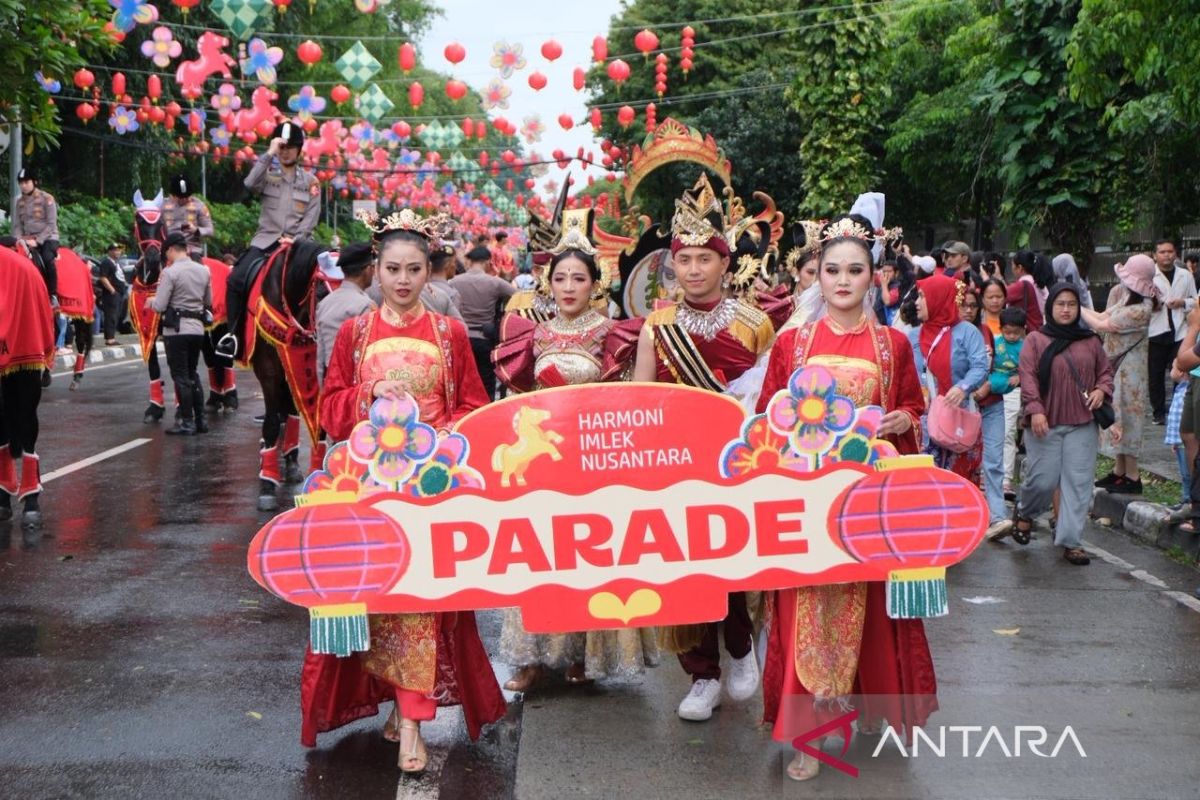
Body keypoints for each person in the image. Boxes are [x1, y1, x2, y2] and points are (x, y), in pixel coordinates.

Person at [304, 208, 506, 772]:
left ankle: (414, 722)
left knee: (421, 607)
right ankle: (399, 701)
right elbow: (330, 408)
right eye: (391, 268)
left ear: (429, 271)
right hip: (370, 488)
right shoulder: (355, 332)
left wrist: (441, 441)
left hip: (431, 485)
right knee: (381, 606)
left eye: (414, 269)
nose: (401, 280)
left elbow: (472, 405)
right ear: (376, 268)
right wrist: (368, 395)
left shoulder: (450, 333)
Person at [756, 215, 936, 782]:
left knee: (872, 614)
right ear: (818, 277)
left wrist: (899, 421)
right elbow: (767, 419)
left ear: (874, 277)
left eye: (854, 270)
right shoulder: (792, 342)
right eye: (831, 270)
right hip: (807, 501)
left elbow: (912, 409)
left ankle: (858, 709)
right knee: (803, 609)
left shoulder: (892, 347)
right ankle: (809, 736)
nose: (841, 280)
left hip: (870, 502)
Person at [623, 174, 775, 722]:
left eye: (703, 259)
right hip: (672, 464)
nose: (691, 269)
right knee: (680, 570)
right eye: (682, 259)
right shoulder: (656, 326)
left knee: (729, 560)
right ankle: (701, 674)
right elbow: (641, 399)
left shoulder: (756, 324)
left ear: (724, 264)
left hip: (734, 464)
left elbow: (770, 399)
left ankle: (738, 646)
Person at [493, 207, 660, 691]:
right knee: (537, 557)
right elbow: (515, 403)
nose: (569, 287)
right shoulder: (532, 335)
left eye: (579, 278)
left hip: (595, 466)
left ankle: (582, 655)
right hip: (543, 467)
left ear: (595, 284)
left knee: (588, 559)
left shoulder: (616, 335)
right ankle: (529, 656)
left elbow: (634, 404)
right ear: (548, 283)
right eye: (560, 278)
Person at [1007, 283, 1114, 565]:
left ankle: (1071, 541)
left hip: (1082, 422)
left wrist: (1102, 390)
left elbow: (1105, 372)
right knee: (1043, 480)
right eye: (1060, 304)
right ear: (1050, 307)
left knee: (1078, 484)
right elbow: (1027, 375)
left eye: (1071, 304)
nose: (1066, 309)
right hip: (1045, 421)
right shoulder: (1036, 340)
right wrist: (1036, 409)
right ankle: (1026, 511)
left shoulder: (1090, 340)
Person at [225, 122, 321, 361]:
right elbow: (248, 183)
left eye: (291, 147)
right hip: (265, 241)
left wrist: (296, 240)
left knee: (324, 283)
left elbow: (311, 217)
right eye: (282, 146)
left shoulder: (311, 182)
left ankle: (320, 335)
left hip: (298, 245)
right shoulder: (267, 176)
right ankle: (233, 337)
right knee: (235, 279)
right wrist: (268, 153)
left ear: (299, 149)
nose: (286, 151)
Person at [1082, 255, 1158, 494]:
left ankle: (1132, 476)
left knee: (1129, 418)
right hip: (1120, 369)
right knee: (1120, 416)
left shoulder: (1140, 309)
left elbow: (1101, 325)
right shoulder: (1129, 298)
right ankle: (1119, 472)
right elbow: (1103, 315)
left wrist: (1075, 305)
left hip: (1130, 374)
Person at [909, 273, 990, 480]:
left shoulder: (967, 332)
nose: (916, 303)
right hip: (925, 420)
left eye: (922, 296)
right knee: (924, 479)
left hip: (957, 417)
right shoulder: (914, 335)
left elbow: (980, 366)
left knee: (957, 480)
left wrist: (963, 387)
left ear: (939, 297)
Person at [0, 245, 56, 525]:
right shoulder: (24, 266)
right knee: (20, 415)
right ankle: (13, 492)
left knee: (20, 416)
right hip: (25, 346)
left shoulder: (23, 266)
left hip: (23, 346)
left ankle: (25, 492)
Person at [959, 282, 1011, 539]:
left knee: (994, 461)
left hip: (991, 405)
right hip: (962, 410)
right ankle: (964, 515)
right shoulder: (951, 335)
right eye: (963, 305)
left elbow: (1002, 368)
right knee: (964, 464)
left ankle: (998, 516)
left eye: (972, 306)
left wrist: (990, 384)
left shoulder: (987, 333)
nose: (968, 310)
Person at [150, 232, 213, 436]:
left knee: (181, 376)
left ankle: (187, 422)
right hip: (197, 329)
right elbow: (208, 301)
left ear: (170, 250)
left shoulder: (170, 272)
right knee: (192, 373)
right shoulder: (204, 270)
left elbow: (159, 305)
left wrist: (150, 302)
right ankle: (201, 420)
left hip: (176, 331)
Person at [449, 245, 515, 398]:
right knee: (486, 382)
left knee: (462, 381)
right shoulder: (495, 283)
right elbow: (519, 296)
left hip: (461, 339)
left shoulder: (454, 282)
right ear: (487, 262)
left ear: (469, 261)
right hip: (485, 338)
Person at [1147, 239, 1195, 425]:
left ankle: (1179, 409)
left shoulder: (1185, 275)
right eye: (1162, 252)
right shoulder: (1149, 275)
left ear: (1175, 254)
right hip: (1156, 330)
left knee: (1180, 370)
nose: (1166, 255)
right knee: (1155, 375)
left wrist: (1182, 303)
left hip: (1180, 329)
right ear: (1155, 255)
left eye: (1169, 251)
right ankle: (1158, 412)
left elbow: (1195, 300)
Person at [315, 241, 375, 385]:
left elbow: (320, 356)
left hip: (331, 381)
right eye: (372, 268)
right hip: (354, 384)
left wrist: (324, 391)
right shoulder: (365, 305)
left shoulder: (324, 303)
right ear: (367, 270)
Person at [993, 307, 1027, 500]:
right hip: (992, 390)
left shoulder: (1026, 347)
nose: (1011, 336)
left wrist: (1020, 376)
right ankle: (987, 474)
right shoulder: (995, 342)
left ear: (1023, 330)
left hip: (1013, 391)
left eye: (1015, 332)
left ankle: (1006, 479)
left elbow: (1031, 369)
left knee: (1007, 434)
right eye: (1007, 332)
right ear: (1001, 328)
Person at [12, 167, 59, 304]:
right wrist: (18, 240)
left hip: (48, 238)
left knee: (47, 259)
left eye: (26, 182)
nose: (23, 185)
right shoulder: (19, 202)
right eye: (21, 183)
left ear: (35, 182)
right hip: (26, 239)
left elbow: (51, 224)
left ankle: (53, 294)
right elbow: (17, 225)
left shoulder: (47, 198)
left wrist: (38, 241)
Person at [161, 174, 214, 259]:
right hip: (167, 249)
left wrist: (196, 230)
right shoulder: (162, 205)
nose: (184, 200)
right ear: (172, 195)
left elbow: (210, 230)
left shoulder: (199, 206)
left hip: (191, 249)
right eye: (180, 197)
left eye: (186, 197)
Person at [1007, 250, 1051, 331]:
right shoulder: (1039, 283)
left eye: (1012, 265)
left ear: (1019, 268)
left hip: (1030, 330)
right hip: (1043, 327)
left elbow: (1001, 294)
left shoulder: (1021, 285)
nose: (1012, 269)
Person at [420, 244, 464, 323]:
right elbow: (457, 326)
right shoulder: (452, 294)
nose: (456, 266)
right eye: (454, 262)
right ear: (448, 265)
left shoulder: (418, 289)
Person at [97, 243, 124, 345]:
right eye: (115, 250)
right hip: (111, 294)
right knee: (111, 315)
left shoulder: (116, 263)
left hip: (119, 293)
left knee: (116, 315)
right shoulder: (106, 262)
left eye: (119, 250)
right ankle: (109, 338)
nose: (118, 252)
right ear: (110, 251)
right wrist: (112, 290)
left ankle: (112, 336)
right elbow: (103, 277)